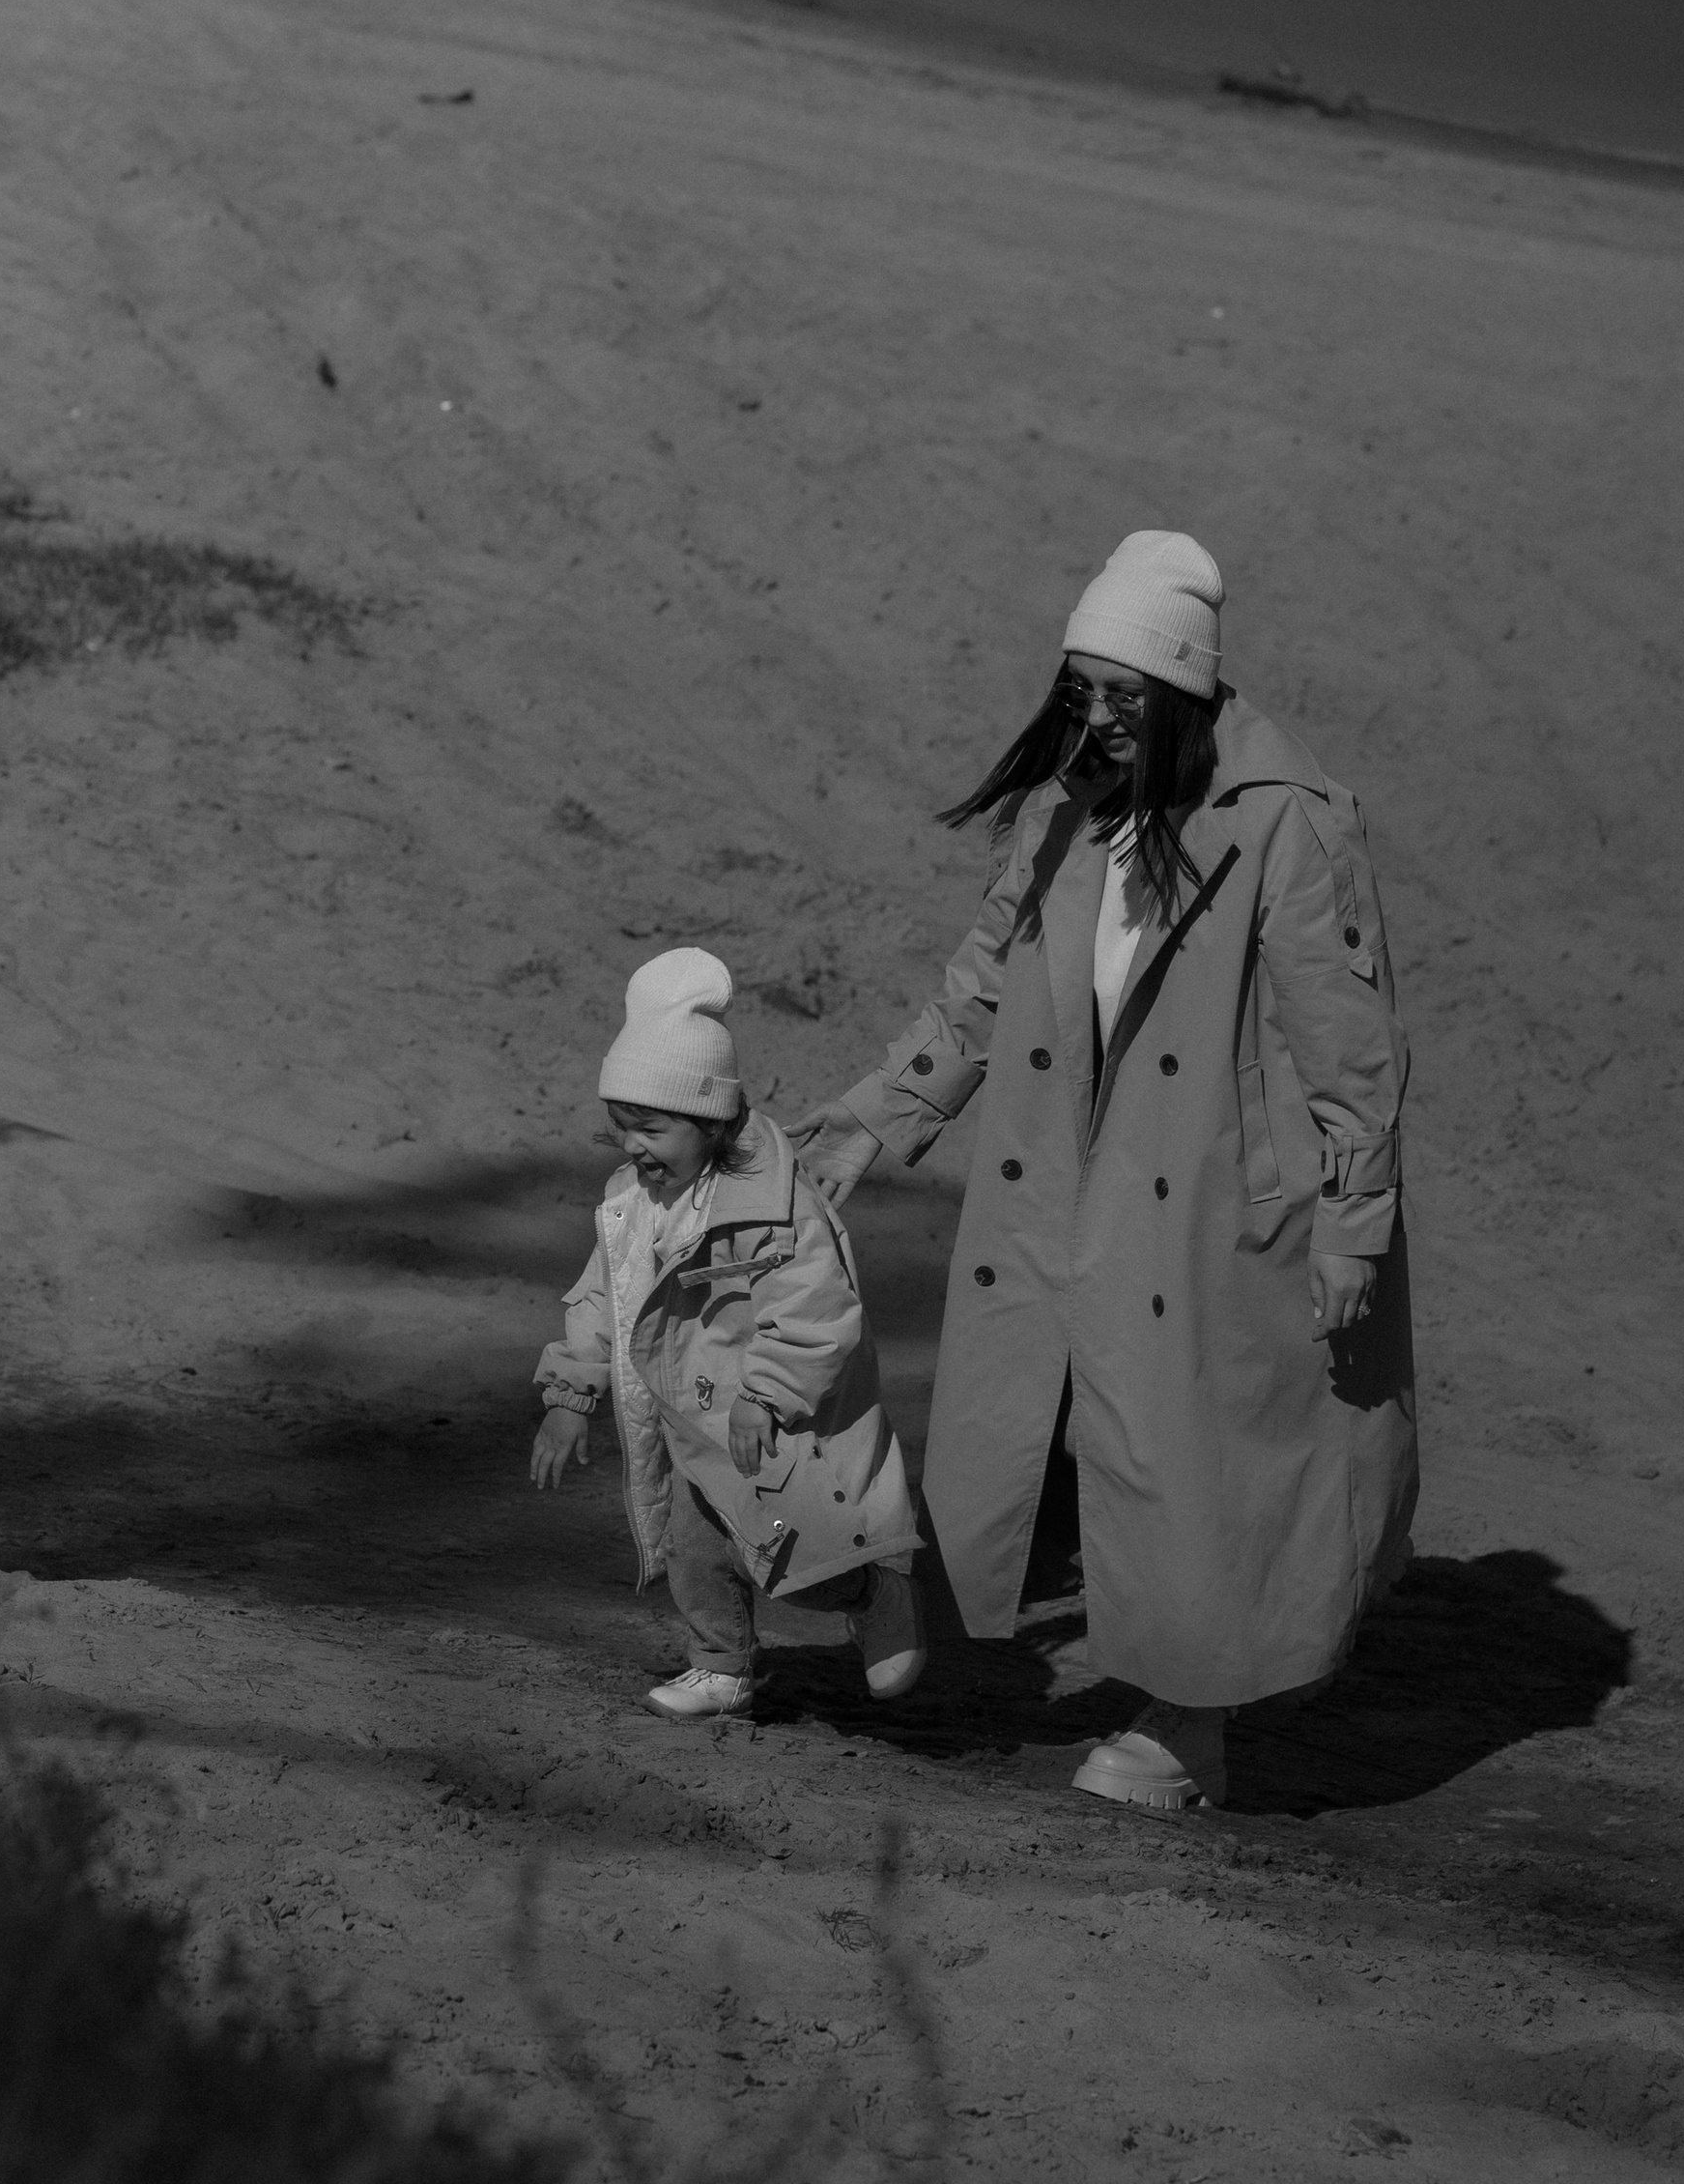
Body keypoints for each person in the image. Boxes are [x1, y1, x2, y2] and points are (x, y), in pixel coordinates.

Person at [798, 532, 1416, 1813]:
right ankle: (925, 1590)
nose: (1100, 719)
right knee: (1041, 1417)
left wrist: (1353, 1231)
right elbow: (979, 985)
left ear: (1184, 690)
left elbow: (1350, 1059)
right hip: (1065, 1183)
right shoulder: (1069, 808)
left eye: (1125, 696)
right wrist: (876, 1116)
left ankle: (1189, 1729)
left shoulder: (1289, 821)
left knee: (1190, 1460)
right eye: (1082, 692)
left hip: (1210, 1202)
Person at [531, 945, 926, 1719]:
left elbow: (816, 1311)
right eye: (622, 1129)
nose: (635, 1148)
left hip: (778, 1426)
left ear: (712, 1123)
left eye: (652, 1128)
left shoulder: (776, 1211)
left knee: (795, 1554)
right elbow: (602, 1299)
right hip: (692, 1421)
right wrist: (570, 1393)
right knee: (694, 1547)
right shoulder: (630, 1205)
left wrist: (766, 1394)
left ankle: (873, 1590)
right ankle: (722, 1665)